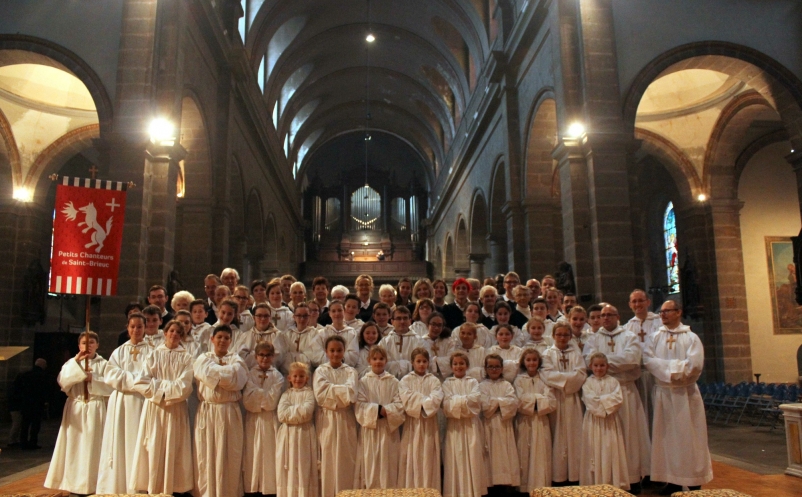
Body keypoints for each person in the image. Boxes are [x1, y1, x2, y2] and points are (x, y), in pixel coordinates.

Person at [644, 300, 713, 495]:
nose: (663, 315)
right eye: (661, 312)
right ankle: (671, 480)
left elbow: (695, 365)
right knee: (666, 439)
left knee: (689, 438)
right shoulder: (655, 337)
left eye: (667, 311)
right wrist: (676, 369)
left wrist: (671, 371)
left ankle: (693, 480)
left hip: (686, 394)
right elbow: (649, 360)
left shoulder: (691, 338)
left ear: (678, 312)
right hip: (664, 394)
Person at [584, 304, 651, 493]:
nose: (605, 318)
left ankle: (631, 477)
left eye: (609, 315)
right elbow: (588, 360)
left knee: (629, 435)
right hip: (601, 392)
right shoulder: (594, 338)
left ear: (618, 316)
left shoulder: (629, 336)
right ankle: (608, 477)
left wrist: (603, 363)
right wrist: (612, 363)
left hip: (625, 391)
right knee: (606, 439)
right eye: (602, 315)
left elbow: (631, 360)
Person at [129, 319, 195, 495]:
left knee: (174, 447)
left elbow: (185, 385)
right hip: (155, 408)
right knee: (153, 445)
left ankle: (172, 488)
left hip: (175, 409)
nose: (174, 335)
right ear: (165, 333)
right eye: (171, 331)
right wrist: (163, 392)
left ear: (182, 336)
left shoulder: (187, 358)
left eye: (178, 333)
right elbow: (141, 381)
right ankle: (154, 487)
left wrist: (159, 387)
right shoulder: (153, 355)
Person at [45, 331, 113, 495]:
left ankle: (93, 484)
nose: (87, 346)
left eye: (91, 343)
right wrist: (78, 367)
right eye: (84, 343)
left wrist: (93, 378)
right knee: (74, 448)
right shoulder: (72, 363)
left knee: (93, 447)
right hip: (76, 407)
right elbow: (63, 381)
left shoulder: (104, 364)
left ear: (97, 345)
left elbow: (111, 385)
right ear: (79, 345)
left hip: (95, 408)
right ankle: (74, 483)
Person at [97, 312, 152, 495]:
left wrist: (130, 380)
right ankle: (117, 486)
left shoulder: (152, 351)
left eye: (140, 327)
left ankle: (138, 486)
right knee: (119, 443)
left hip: (142, 403)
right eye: (133, 326)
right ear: (127, 328)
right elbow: (111, 375)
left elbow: (150, 376)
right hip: (121, 403)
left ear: (145, 328)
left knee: (138, 442)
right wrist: (135, 381)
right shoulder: (118, 352)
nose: (136, 330)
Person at [194, 324, 249, 497]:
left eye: (226, 338)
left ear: (230, 341)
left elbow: (238, 381)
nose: (223, 341)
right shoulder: (203, 358)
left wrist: (216, 376)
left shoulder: (237, 360)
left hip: (229, 412)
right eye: (219, 337)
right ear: (212, 339)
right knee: (207, 454)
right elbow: (204, 373)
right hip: (209, 411)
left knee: (230, 456)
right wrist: (226, 375)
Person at [540, 322, 587, 485]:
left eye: (565, 335)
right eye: (558, 334)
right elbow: (546, 374)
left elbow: (581, 373)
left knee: (575, 435)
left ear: (570, 337)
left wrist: (565, 382)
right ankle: (558, 477)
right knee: (557, 435)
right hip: (556, 398)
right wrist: (568, 380)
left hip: (573, 399)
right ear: (553, 336)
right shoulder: (547, 354)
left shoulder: (576, 353)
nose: (562, 338)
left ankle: (575, 475)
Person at [314, 335, 359, 497]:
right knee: (328, 459)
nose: (335, 354)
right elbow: (321, 395)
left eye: (339, 350)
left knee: (346, 460)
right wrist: (342, 391)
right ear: (326, 352)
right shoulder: (320, 371)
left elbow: (351, 394)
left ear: (344, 351)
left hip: (346, 419)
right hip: (327, 420)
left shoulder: (350, 371)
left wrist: (333, 391)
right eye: (332, 350)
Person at [355, 345, 405, 489]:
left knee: (388, 467)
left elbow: (400, 404)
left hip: (388, 431)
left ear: (386, 360)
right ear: (368, 360)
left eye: (381, 359)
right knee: (370, 467)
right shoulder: (363, 382)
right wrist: (377, 410)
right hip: (370, 430)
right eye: (375, 359)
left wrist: (387, 411)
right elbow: (359, 405)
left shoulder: (394, 382)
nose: (378, 362)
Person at [580, 352, 630, 490]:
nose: (599, 368)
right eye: (596, 365)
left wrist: (601, 402)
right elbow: (589, 400)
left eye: (602, 365)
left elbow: (618, 399)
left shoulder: (613, 381)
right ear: (591, 366)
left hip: (610, 421)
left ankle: (611, 482)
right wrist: (605, 402)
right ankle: (594, 483)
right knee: (594, 449)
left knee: (610, 448)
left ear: (607, 366)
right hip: (594, 421)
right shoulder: (588, 382)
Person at [441, 351, 488, 497]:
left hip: (471, 425)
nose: (458, 366)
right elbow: (446, 405)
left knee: (472, 459)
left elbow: (476, 401)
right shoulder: (447, 383)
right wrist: (464, 402)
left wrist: (458, 401)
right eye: (455, 364)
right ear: (451, 366)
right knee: (455, 459)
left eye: (461, 363)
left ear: (467, 365)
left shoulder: (473, 382)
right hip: (454, 427)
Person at [242, 342, 284, 496]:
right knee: (252, 453)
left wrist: (258, 395)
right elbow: (247, 400)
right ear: (256, 356)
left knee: (269, 454)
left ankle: (269, 489)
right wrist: (263, 396)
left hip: (269, 419)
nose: (264, 358)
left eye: (268, 355)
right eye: (261, 355)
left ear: (273, 357)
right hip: (253, 418)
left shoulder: (277, 376)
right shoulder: (250, 374)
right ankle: (252, 488)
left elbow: (272, 401)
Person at [398, 348, 443, 490]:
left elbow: (436, 399)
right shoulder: (406, 380)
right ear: (412, 363)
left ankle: (429, 490)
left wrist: (420, 401)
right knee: (412, 457)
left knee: (428, 458)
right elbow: (406, 399)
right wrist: (425, 401)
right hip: (412, 423)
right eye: (418, 361)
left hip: (429, 424)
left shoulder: (433, 380)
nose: (422, 364)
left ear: (428, 363)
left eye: (424, 361)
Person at [515, 348, 556, 492]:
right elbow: (519, 402)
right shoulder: (519, 380)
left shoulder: (544, 378)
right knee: (524, 452)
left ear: (539, 362)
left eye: (534, 360)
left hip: (541, 421)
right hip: (525, 421)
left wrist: (531, 400)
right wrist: (539, 399)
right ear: (523, 362)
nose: (531, 363)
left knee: (541, 453)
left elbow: (551, 401)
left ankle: (541, 486)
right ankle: (525, 487)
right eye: (528, 360)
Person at [479, 354, 520, 493]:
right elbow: (484, 405)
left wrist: (495, 402)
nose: (494, 369)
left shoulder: (507, 385)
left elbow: (513, 403)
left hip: (504, 425)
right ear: (485, 368)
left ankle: (505, 487)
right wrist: (501, 402)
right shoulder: (481, 385)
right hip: (488, 424)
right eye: (491, 366)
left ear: (502, 368)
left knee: (505, 458)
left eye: (497, 366)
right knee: (489, 458)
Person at [277, 362, 318, 497]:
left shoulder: (310, 394)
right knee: (289, 470)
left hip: (304, 434)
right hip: (288, 435)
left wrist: (291, 413)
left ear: (307, 378)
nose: (298, 379)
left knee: (303, 467)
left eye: (301, 376)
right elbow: (281, 414)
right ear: (289, 378)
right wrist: (298, 412)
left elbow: (307, 412)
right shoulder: (286, 395)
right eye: (295, 376)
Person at [625, 289, 662, 427]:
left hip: (656, 373)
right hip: (637, 374)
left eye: (640, 300)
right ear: (630, 304)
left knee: (657, 409)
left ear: (648, 302)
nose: (637, 304)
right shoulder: (627, 327)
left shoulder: (659, 323)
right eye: (634, 301)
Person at [11, 358, 48, 450]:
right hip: (37, 404)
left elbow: (17, 389)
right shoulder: (42, 376)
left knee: (25, 424)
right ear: (42, 365)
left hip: (26, 403)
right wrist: (45, 401)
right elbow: (44, 390)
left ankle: (23, 442)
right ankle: (33, 442)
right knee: (35, 425)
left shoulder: (25, 375)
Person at [279, 303, 325, 376]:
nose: (302, 319)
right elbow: (282, 356)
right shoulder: (286, 334)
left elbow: (315, 356)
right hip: (288, 374)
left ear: (309, 317)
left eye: (305, 316)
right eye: (299, 315)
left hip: (307, 374)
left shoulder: (315, 334)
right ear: (294, 317)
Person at [235, 302, 283, 369]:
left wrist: (253, 354)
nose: (263, 319)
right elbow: (241, 356)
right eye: (259, 316)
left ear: (270, 317)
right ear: (254, 318)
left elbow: (278, 357)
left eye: (266, 316)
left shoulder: (278, 335)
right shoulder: (246, 335)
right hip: (250, 373)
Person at [380, 305, 422, 379]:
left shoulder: (419, 341)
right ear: (392, 321)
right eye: (398, 318)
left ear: (410, 321)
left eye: (405, 318)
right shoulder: (384, 341)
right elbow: (380, 363)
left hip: (413, 380)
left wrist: (397, 365)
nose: (402, 321)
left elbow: (422, 363)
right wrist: (406, 365)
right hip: (389, 380)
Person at [318, 300, 359, 367]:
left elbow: (353, 355)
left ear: (344, 311)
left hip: (345, 369)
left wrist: (338, 361)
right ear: (329, 313)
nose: (337, 314)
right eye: (333, 311)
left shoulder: (351, 333)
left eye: (339, 310)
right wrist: (332, 362)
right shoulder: (322, 333)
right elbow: (318, 354)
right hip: (326, 369)